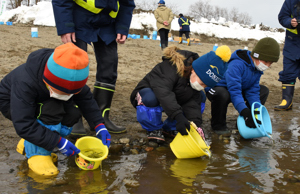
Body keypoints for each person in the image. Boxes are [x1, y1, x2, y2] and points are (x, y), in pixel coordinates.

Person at [0, 43, 111, 176]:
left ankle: (31, 142)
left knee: (72, 113)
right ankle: (38, 154)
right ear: (48, 81)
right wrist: (57, 141)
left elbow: (86, 99)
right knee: (51, 113)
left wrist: (99, 124)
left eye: (71, 93)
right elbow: (23, 123)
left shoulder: (71, 73)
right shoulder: (25, 83)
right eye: (63, 92)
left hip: (43, 100)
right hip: (11, 104)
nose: (67, 96)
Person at [52, 0, 136, 135]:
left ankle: (100, 118)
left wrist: (122, 27)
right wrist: (66, 26)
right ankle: (74, 118)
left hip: (108, 22)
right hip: (79, 17)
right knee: (74, 66)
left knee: (110, 65)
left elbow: (127, 3)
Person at [130, 45, 231, 143]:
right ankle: (153, 129)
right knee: (150, 98)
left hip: (173, 97)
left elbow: (192, 103)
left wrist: (195, 125)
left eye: (206, 85)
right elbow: (164, 93)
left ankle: (170, 128)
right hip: (149, 94)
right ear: (194, 70)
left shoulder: (192, 79)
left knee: (201, 97)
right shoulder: (170, 67)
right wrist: (178, 116)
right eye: (202, 83)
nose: (202, 87)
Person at [206, 37, 280, 135]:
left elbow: (252, 90)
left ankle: (244, 123)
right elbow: (234, 90)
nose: (267, 65)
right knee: (222, 94)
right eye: (266, 62)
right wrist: (244, 111)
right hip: (217, 88)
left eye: (270, 63)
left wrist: (255, 111)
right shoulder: (237, 64)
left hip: (236, 89)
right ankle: (218, 126)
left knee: (263, 90)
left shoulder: (256, 68)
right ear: (257, 56)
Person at [275, 0, 300, 111]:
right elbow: (282, 17)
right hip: (292, 44)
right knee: (288, 72)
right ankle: (287, 101)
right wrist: (290, 22)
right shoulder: (290, 1)